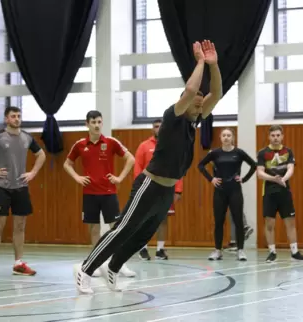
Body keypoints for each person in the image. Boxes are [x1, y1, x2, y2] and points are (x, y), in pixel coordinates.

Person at [74, 39, 222, 294]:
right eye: (197, 103)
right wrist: (199, 63)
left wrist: (214, 66)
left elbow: (216, 94)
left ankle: (114, 269)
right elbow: (189, 91)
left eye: (201, 104)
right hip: (150, 184)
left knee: (143, 235)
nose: (200, 106)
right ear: (185, 104)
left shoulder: (192, 123)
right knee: (122, 229)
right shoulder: (173, 117)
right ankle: (86, 269)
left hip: (166, 190)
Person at [0, 106, 46, 277]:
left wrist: (33, 172)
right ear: (6, 119)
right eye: (13, 116)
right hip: (3, 187)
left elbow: (41, 155)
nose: (17, 119)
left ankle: (19, 263)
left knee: (20, 225)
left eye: (19, 116)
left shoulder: (27, 137)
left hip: (21, 187)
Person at [64, 110, 136, 278]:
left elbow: (130, 159)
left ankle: (119, 264)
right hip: (89, 194)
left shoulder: (111, 142)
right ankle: (95, 263)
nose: (96, 125)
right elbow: (67, 164)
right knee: (94, 229)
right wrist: (77, 177)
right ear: (87, 124)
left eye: (99, 122)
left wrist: (119, 178)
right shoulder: (80, 144)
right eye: (93, 122)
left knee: (115, 229)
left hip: (109, 193)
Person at [197, 128, 256, 261]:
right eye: (224, 135)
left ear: (232, 138)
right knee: (219, 221)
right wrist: (211, 179)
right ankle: (218, 250)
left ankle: (240, 250)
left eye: (229, 135)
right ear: (220, 138)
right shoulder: (215, 153)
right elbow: (200, 165)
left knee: (238, 221)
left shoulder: (239, 153)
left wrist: (244, 179)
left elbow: (253, 165)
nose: (226, 137)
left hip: (235, 190)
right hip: (220, 191)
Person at [256, 125, 303, 263]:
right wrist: (273, 179)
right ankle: (272, 252)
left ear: (282, 136)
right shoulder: (262, 153)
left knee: (290, 222)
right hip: (269, 192)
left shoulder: (288, 151)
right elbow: (260, 173)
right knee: (269, 223)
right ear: (269, 137)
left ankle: (294, 252)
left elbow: (291, 169)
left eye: (278, 135)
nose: (275, 138)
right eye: (273, 135)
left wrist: (283, 179)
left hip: (285, 191)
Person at [135, 118, 183, 261]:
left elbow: (178, 169)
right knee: (145, 220)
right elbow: (138, 167)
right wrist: (138, 187)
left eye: (161, 126)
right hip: (147, 188)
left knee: (162, 220)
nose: (159, 129)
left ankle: (160, 249)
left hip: (166, 188)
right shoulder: (144, 146)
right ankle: (142, 248)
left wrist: (178, 190)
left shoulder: (172, 146)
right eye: (156, 126)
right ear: (152, 129)